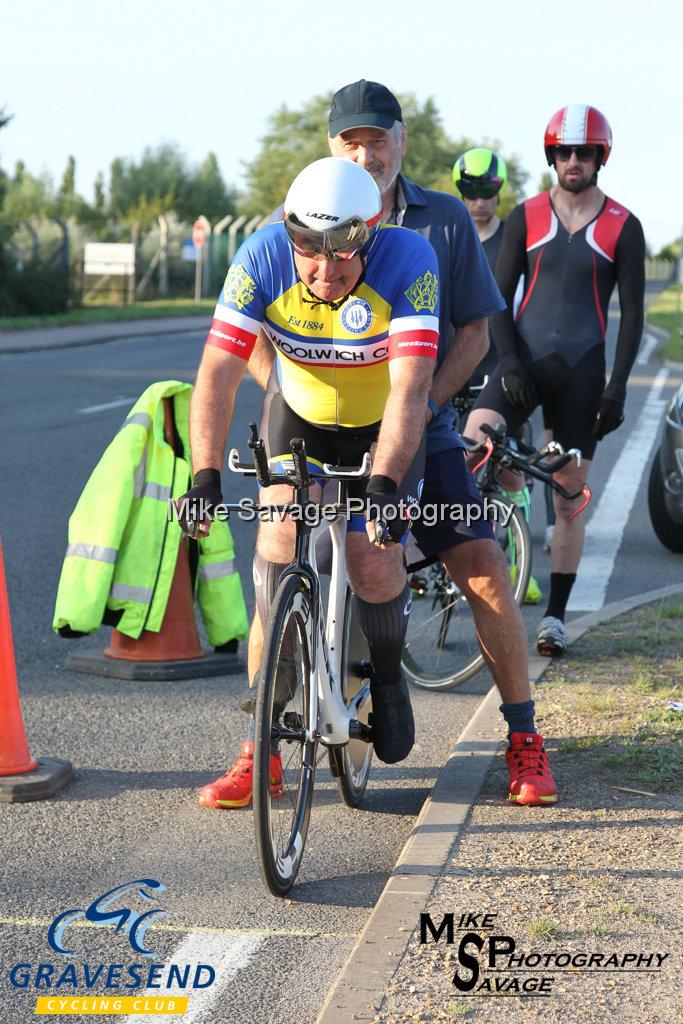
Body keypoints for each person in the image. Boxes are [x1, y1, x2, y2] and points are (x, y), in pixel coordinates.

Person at [200, 81, 559, 811]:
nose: (364, 153)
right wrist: (284, 385)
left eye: (377, 139)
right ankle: (258, 745)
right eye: (349, 140)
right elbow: (230, 358)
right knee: (273, 556)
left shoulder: (442, 225)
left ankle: (521, 737)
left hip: (412, 411)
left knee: (480, 563)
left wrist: (421, 415)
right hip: (305, 410)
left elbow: (473, 336)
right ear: (332, 148)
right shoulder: (292, 221)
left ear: (400, 141)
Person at [180, 155, 440, 793]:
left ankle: (385, 671)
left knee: (371, 554)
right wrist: (204, 476)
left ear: (370, 236)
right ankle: (259, 744)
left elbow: (409, 392)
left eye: (344, 254)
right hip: (299, 417)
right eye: (310, 252)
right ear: (290, 235)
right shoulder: (260, 255)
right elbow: (217, 371)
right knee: (275, 541)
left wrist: (382, 486)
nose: (326, 271)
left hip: (383, 426)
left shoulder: (410, 261)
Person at [464, 104, 646, 656]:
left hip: (583, 375)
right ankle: (474, 576)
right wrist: (511, 363)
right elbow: (495, 299)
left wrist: (616, 388)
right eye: (564, 152)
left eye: (584, 152)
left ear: (599, 157)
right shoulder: (526, 215)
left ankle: (555, 618)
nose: (573, 160)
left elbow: (634, 316)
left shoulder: (623, 225)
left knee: (569, 498)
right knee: (473, 443)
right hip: (522, 365)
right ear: (552, 156)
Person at [453, 148, 543, 605]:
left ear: (499, 191)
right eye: (470, 190)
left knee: (506, 470)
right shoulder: (450, 234)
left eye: (488, 191)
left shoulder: (514, 239)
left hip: (501, 365)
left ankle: (519, 565)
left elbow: (522, 307)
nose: (479, 201)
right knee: (447, 464)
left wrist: (515, 365)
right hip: (456, 362)